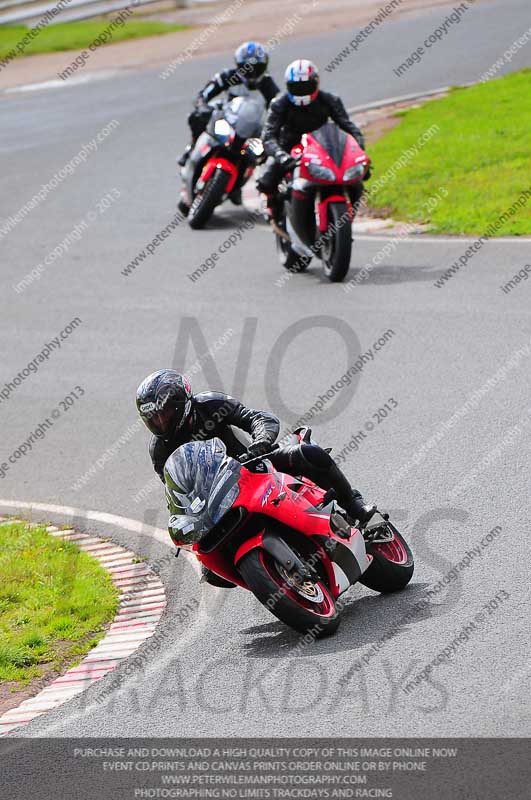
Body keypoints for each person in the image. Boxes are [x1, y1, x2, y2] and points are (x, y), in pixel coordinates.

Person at [136, 370, 376, 585]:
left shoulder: (210, 404)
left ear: (181, 403)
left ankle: (353, 504)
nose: (160, 422)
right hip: (216, 498)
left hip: (253, 465)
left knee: (308, 453)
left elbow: (256, 418)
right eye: (153, 418)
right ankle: (273, 574)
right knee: (211, 570)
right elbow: (174, 490)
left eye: (165, 413)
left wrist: (260, 442)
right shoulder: (159, 449)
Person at [257, 59, 368, 218]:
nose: (301, 91)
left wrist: (359, 150)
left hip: (323, 146)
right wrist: (282, 156)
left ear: (316, 83)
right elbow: (268, 135)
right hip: (290, 147)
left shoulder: (330, 100)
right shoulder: (279, 103)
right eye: (297, 87)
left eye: (306, 86)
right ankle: (274, 211)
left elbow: (348, 126)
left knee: (358, 179)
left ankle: (348, 213)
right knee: (266, 181)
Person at [177, 40, 280, 183]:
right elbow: (204, 94)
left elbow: (277, 111)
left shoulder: (269, 86)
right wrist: (202, 105)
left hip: (251, 127)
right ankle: (192, 148)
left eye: (257, 68)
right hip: (227, 117)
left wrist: (273, 130)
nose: (252, 73)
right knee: (197, 117)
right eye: (247, 68)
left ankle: (245, 177)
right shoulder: (228, 76)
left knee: (265, 151)